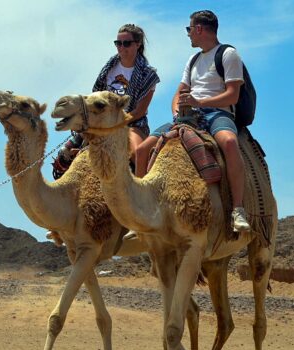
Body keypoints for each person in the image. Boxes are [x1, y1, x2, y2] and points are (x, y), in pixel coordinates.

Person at [135, 10, 251, 232]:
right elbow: (180, 91)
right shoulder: (193, 59)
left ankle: (238, 209)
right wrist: (177, 110)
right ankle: (142, 211)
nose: (188, 35)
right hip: (188, 116)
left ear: (199, 29)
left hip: (218, 113)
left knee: (228, 143)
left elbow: (233, 95)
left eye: (189, 29)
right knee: (142, 151)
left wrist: (200, 102)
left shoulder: (228, 54)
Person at [52, 23, 160, 180]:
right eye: (118, 43)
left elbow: (140, 111)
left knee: (136, 154)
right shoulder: (109, 67)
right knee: (65, 155)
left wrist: (114, 123)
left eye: (126, 43)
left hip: (132, 124)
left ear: (138, 44)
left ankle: (144, 195)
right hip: (100, 120)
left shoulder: (148, 75)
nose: (121, 47)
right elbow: (95, 97)